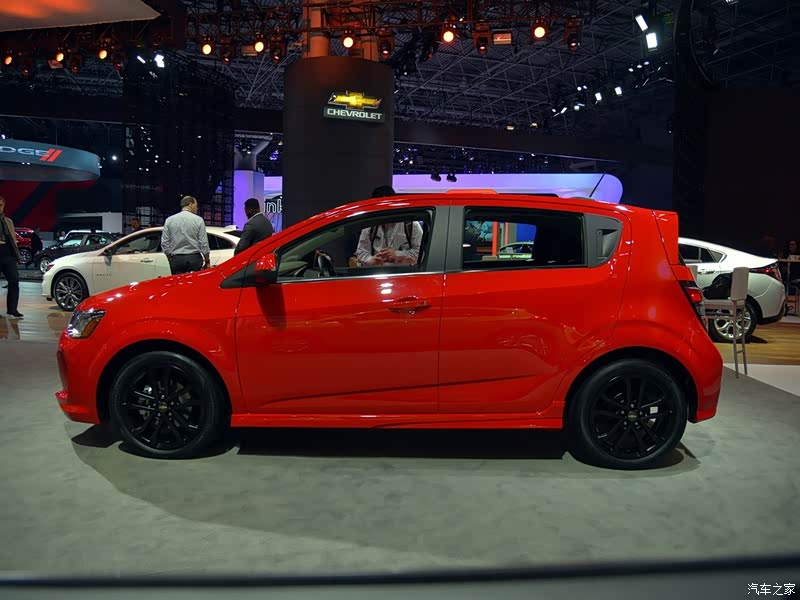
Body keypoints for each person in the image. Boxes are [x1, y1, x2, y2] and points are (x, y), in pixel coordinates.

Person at [354, 186, 423, 267]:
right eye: (380, 206)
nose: (384, 210)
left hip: (404, 273)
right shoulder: (370, 226)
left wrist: (397, 254)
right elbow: (361, 252)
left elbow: (421, 253)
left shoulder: (411, 224)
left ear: (395, 204)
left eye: (388, 205)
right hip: (377, 272)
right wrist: (370, 260)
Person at [161, 195, 210, 275]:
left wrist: (170, 258)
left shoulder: (169, 220)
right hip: (194, 259)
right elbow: (204, 243)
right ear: (190, 204)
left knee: (177, 282)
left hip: (177, 259)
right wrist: (207, 260)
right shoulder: (199, 220)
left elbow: (164, 243)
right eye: (196, 205)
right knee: (193, 282)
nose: (197, 208)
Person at [0, 195, 23, 319]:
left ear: (4, 206)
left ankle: (12, 309)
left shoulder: (8, 221)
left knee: (14, 280)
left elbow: (13, 240)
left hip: (8, 254)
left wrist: (16, 256)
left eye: (0, 205)